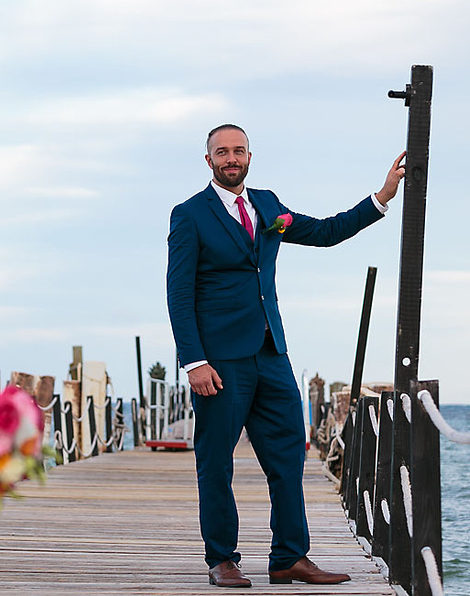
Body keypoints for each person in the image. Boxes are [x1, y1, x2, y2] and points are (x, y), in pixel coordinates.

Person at [166, 124, 405, 588]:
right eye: (222, 152)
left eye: (238, 151)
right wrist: (194, 361)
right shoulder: (189, 214)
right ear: (209, 160)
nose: (230, 158)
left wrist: (380, 197)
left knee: (289, 457)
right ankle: (222, 558)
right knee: (216, 462)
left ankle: (289, 557)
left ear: (250, 157)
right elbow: (178, 293)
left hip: (271, 353)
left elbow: (325, 232)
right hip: (219, 362)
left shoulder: (268, 205)